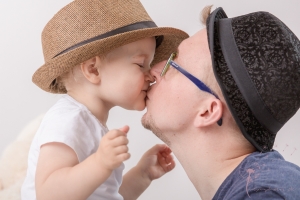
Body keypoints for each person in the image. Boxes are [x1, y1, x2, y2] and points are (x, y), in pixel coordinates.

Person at [21, 0, 188, 199]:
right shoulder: (68, 120)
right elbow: (48, 194)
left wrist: (143, 174)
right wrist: (100, 163)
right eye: (141, 64)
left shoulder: (91, 123)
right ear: (93, 69)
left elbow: (105, 196)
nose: (151, 75)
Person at [142, 5, 300, 200]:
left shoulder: (261, 195)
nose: (152, 70)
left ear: (208, 111)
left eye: (172, 64)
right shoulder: (261, 186)